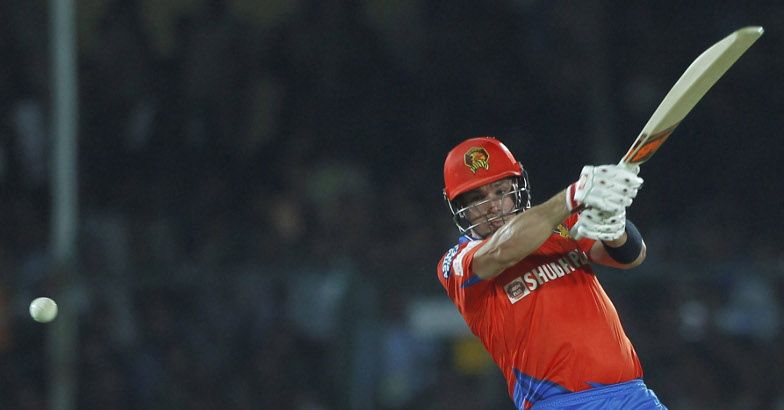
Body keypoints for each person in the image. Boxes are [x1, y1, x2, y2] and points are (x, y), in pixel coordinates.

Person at [437, 136, 666, 409]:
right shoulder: (456, 263)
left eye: (500, 191)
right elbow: (503, 250)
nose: (493, 205)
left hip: (634, 395)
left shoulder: (561, 225)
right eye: (478, 198)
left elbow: (632, 257)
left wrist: (614, 228)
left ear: (517, 189)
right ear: (459, 207)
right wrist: (574, 195)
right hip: (560, 404)